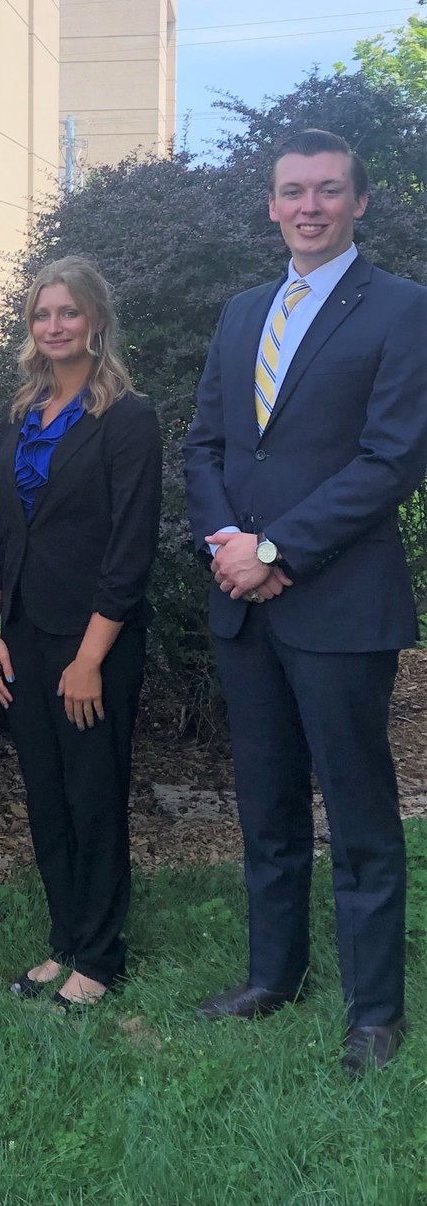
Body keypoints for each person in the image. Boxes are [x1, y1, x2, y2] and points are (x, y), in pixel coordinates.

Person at [183, 129, 427, 1075]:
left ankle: (374, 1010)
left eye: (329, 190)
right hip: (247, 603)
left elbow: (392, 459)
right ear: (272, 205)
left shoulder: (403, 309)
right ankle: (271, 975)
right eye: (294, 191)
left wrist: (277, 548)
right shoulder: (246, 311)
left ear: (360, 202)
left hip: (339, 606)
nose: (310, 206)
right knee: (268, 805)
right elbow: (205, 444)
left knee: (360, 815)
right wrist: (230, 548)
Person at [0, 256, 161, 1012]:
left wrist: (90, 657)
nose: (54, 326)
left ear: (96, 321)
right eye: (42, 314)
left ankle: (100, 954)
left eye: (69, 313)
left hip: (94, 641)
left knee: (93, 792)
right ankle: (64, 939)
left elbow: (130, 550)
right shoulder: (21, 410)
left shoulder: (127, 416)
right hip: (20, 633)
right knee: (47, 795)